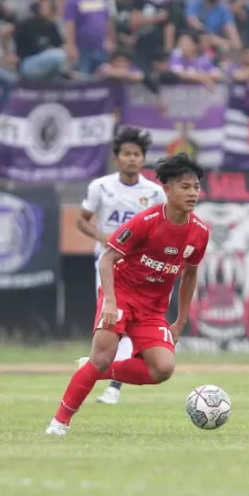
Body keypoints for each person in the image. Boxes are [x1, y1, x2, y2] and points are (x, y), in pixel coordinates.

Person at [46, 153, 211, 436]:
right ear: (167, 190)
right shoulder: (146, 221)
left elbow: (190, 275)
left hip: (153, 309)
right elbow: (106, 259)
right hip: (121, 295)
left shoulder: (199, 232)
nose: (193, 193)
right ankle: (59, 424)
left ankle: (97, 369)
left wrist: (181, 321)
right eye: (185, 187)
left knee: (163, 369)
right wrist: (109, 302)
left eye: (196, 187)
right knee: (103, 354)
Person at [76, 127, 167, 406]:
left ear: (143, 159)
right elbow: (81, 220)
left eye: (137, 154)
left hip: (140, 268)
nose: (132, 159)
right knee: (111, 320)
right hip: (108, 264)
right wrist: (103, 237)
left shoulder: (154, 193)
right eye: (126, 154)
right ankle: (103, 374)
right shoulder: (101, 187)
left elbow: (164, 226)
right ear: (116, 159)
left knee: (130, 324)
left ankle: (113, 386)